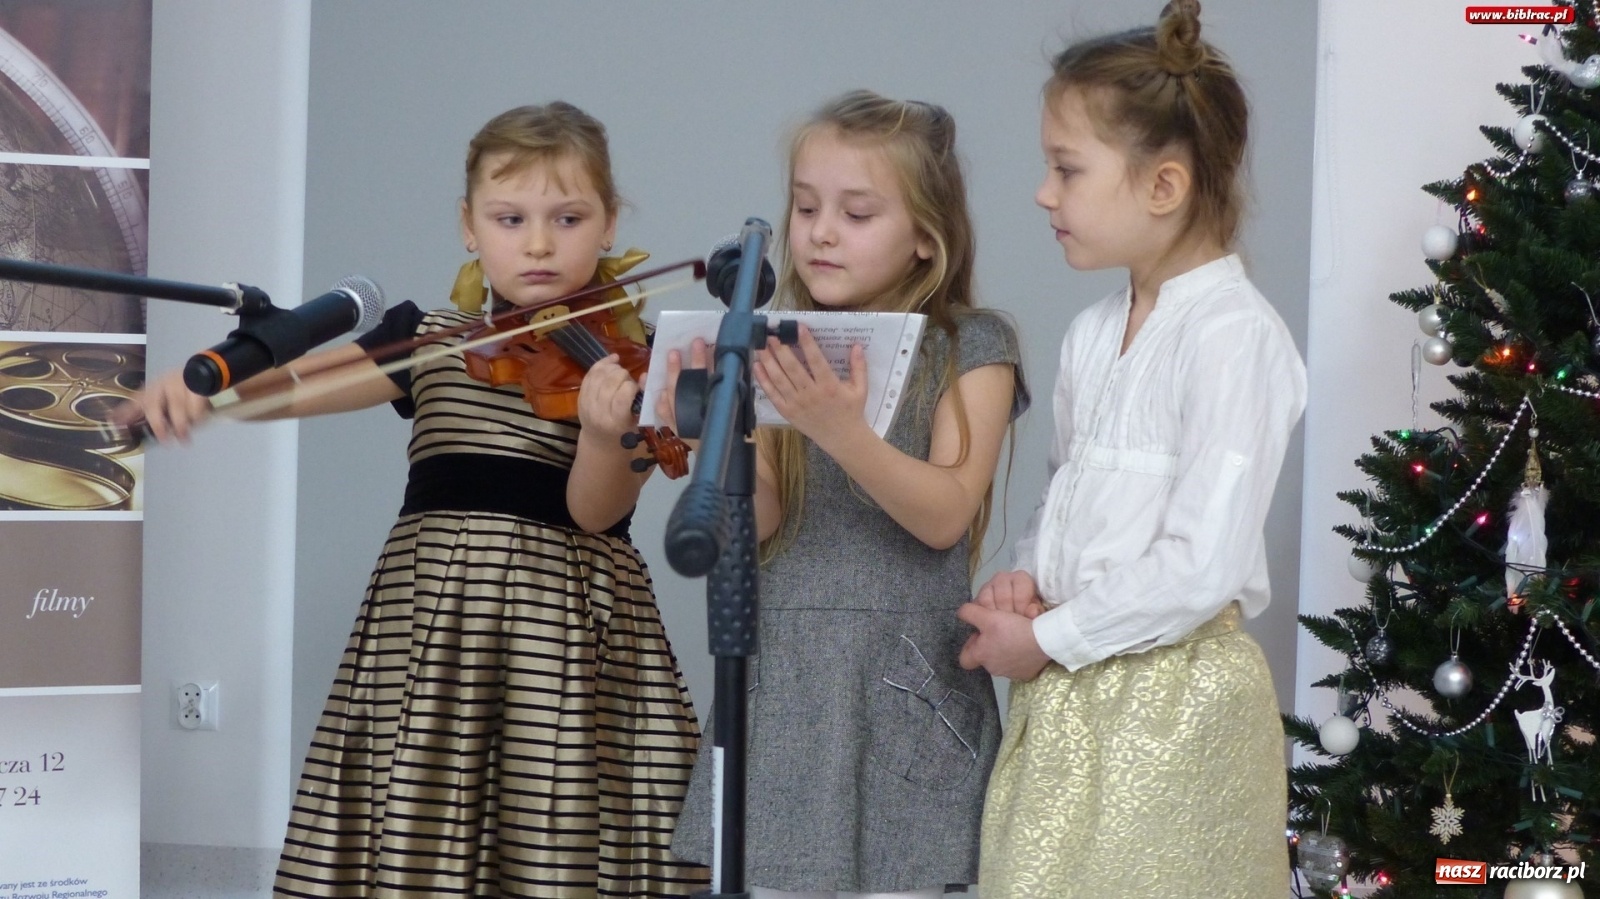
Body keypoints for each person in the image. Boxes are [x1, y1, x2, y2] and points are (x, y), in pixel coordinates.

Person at [119, 102, 710, 898]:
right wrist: (209, 394)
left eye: (568, 217)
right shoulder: (428, 337)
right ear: (470, 227)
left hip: (564, 625)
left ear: (609, 226)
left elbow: (594, 514)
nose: (538, 242)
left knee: (557, 817)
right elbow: (296, 386)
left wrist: (608, 435)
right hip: (433, 617)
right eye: (510, 217)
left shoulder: (628, 366)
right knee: (422, 816)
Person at [955, 2, 1306, 897]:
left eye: (1066, 169)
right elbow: (1068, 491)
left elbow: (1202, 563)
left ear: (1164, 186)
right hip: (1071, 692)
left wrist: (1048, 635)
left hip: (1170, 704)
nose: (1044, 192)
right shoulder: (1091, 332)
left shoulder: (1234, 337)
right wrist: (1029, 574)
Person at [664, 90, 1029, 899]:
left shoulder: (971, 344)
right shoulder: (774, 341)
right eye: (805, 206)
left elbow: (944, 515)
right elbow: (758, 522)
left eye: (857, 212)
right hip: (787, 689)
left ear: (926, 241)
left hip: (905, 692)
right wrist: (706, 435)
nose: (821, 231)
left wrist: (842, 430)